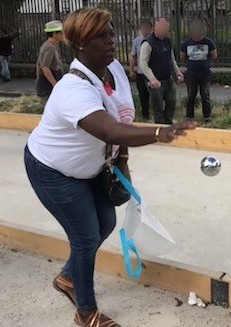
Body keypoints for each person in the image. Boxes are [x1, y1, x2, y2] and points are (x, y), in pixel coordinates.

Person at [24, 8, 196, 327]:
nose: (110, 41)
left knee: (103, 224)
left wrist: (123, 159)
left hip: (93, 167)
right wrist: (161, 132)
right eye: (101, 37)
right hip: (51, 170)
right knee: (86, 236)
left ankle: (67, 277)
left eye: (111, 33)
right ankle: (86, 312)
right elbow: (110, 130)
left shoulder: (112, 68)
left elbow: (121, 119)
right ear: (79, 45)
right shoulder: (72, 90)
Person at [139, 18, 184, 124]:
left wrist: (177, 72)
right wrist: (153, 79)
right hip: (155, 82)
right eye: (162, 29)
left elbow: (171, 59)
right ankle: (160, 127)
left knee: (171, 102)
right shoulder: (148, 43)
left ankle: (168, 123)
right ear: (156, 28)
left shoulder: (167, 41)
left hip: (168, 79)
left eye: (166, 29)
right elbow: (143, 64)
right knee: (158, 106)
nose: (165, 32)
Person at [181, 20, 217, 122]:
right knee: (191, 94)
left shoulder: (208, 42)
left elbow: (214, 55)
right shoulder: (186, 43)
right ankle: (189, 116)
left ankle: (207, 116)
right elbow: (183, 57)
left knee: (205, 94)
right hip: (191, 74)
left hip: (205, 73)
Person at [129, 19, 153, 120]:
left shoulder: (154, 40)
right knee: (143, 94)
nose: (144, 30)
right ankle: (145, 114)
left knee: (156, 96)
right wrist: (131, 69)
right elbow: (132, 56)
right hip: (140, 73)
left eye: (146, 28)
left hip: (153, 74)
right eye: (142, 28)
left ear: (151, 29)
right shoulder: (137, 41)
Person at [36, 20, 64, 100]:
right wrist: (55, 84)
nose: (63, 35)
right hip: (49, 82)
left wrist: (38, 78)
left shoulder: (47, 45)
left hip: (46, 80)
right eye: (61, 32)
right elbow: (45, 67)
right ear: (54, 34)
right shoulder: (50, 47)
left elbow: (38, 63)